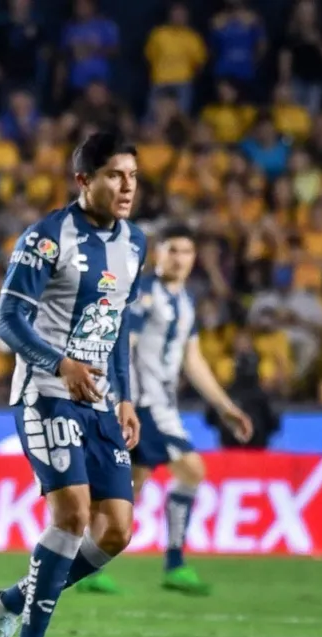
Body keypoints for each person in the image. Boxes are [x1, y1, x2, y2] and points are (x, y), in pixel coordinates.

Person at [0, 132, 144, 637]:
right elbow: (9, 320)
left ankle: (7, 600)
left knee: (117, 529)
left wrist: (126, 399)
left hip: (100, 404)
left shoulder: (135, 245)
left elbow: (114, 327)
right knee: (72, 515)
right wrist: (61, 365)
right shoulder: (46, 239)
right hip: (46, 394)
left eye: (132, 177)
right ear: (84, 181)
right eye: (115, 176)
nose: (126, 187)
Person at [74, 225, 252, 597]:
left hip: (162, 407)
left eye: (186, 252)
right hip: (142, 405)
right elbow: (124, 343)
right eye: (172, 250)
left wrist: (226, 407)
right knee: (190, 470)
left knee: (131, 489)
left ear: (194, 258)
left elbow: (194, 360)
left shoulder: (184, 301)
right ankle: (173, 563)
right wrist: (118, 397)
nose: (179, 258)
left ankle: (87, 564)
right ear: (159, 254)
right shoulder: (145, 296)